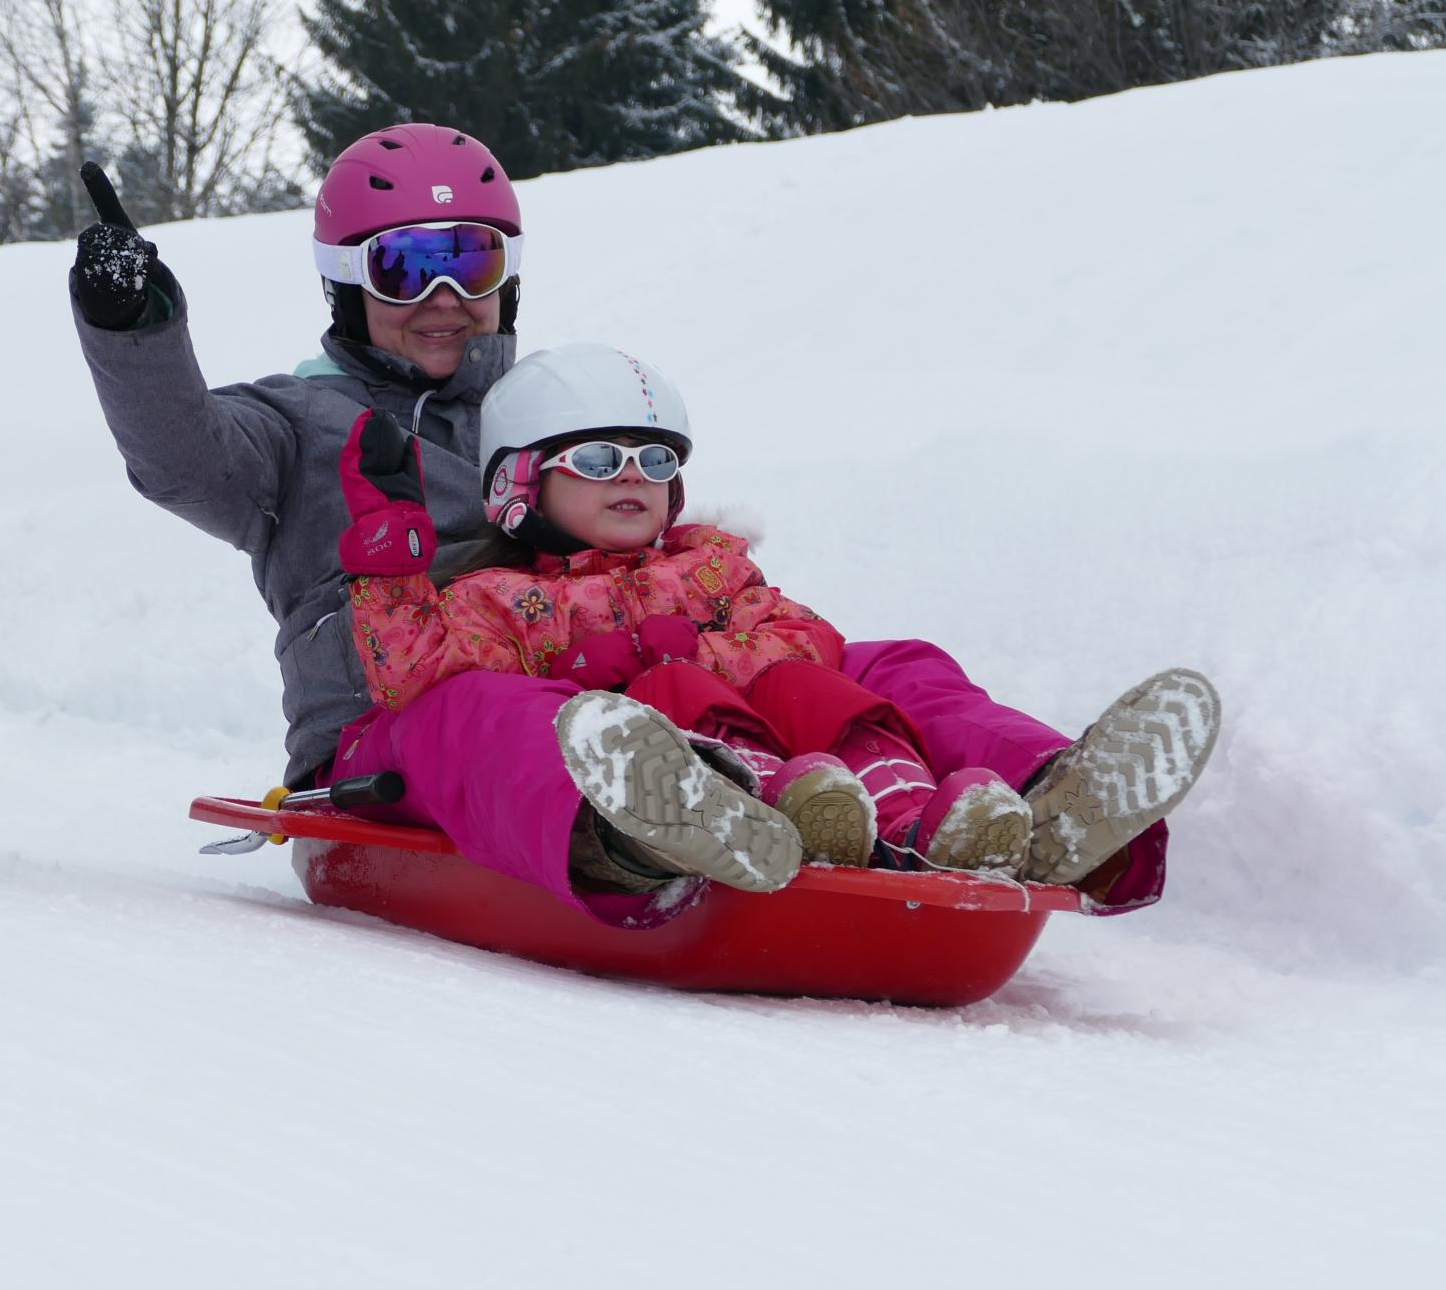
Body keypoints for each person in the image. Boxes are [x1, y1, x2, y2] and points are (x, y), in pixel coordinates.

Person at [68, 124, 1200, 911]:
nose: (443, 295)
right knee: (491, 713)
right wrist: (133, 328)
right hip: (399, 718)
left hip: (610, 691)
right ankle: (636, 832)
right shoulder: (291, 425)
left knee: (874, 664)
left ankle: (1050, 810)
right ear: (343, 282)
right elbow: (175, 458)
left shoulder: (548, 407)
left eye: (470, 259)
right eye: (406, 265)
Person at [333, 343, 1221, 911]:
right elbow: (415, 675)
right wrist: (389, 568)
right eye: (599, 459)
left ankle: (1034, 807)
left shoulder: (712, 566)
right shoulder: (497, 598)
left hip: (798, 756)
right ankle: (684, 820)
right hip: (665, 763)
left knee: (881, 664)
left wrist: (721, 652)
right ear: (520, 485)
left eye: (655, 458)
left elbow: (804, 642)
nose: (631, 476)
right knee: (553, 700)